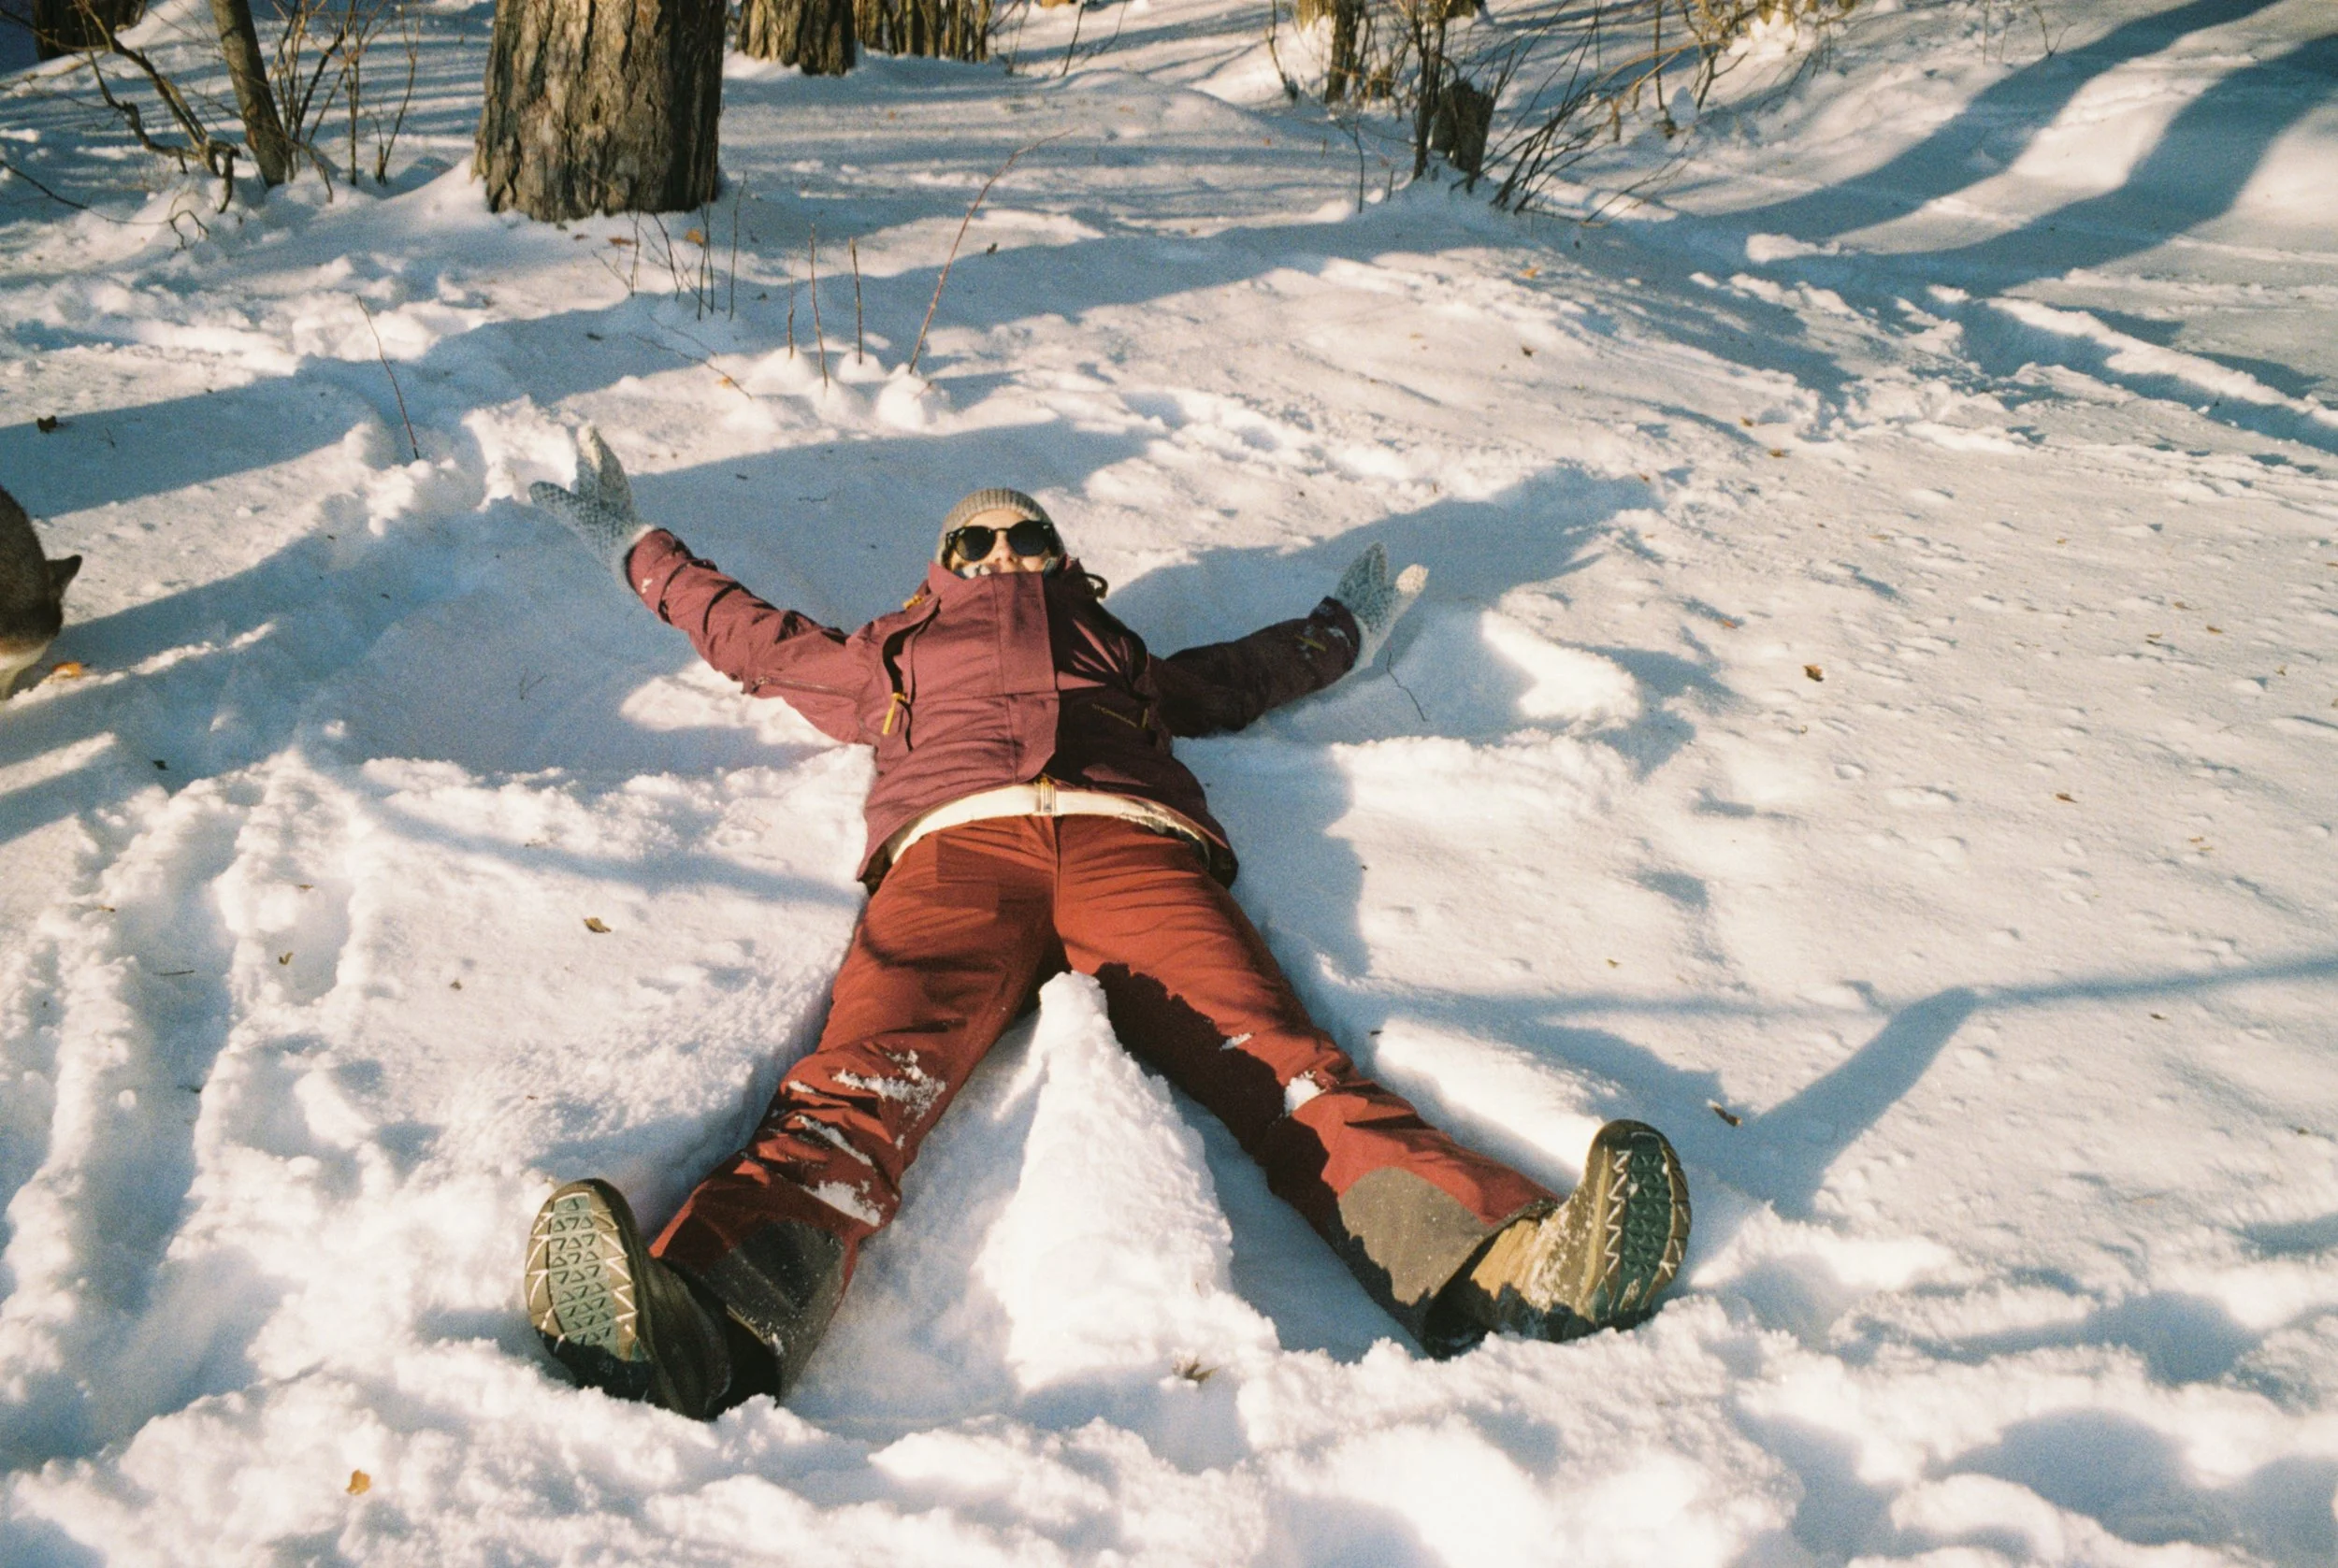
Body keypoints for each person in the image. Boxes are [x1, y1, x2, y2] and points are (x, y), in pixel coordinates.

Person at [521, 429, 1692, 1419]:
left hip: (1129, 850)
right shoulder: (888, 650)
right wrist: (635, 546)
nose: (997, 553)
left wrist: (1343, 629)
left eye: (1021, 536)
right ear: (940, 565)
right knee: (856, 1087)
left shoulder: (1115, 651)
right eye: (971, 541)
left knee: (1283, 1068)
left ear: (1060, 557)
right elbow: (752, 637)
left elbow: (1243, 674)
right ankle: (700, 1324)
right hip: (955, 856)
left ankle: (1505, 1267)